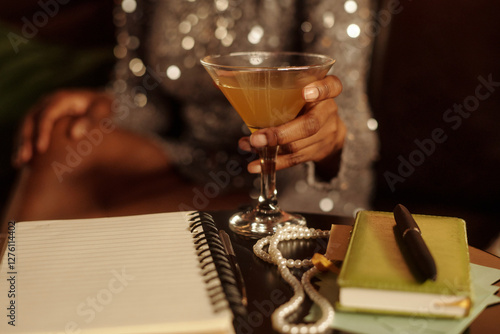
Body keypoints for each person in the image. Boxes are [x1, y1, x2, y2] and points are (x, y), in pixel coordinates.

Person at [2, 0, 378, 222]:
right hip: (198, 158)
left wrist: (328, 135)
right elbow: (143, 95)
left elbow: (346, 114)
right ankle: (13, 302)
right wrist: (106, 106)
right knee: (65, 137)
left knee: (85, 235)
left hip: (292, 179)